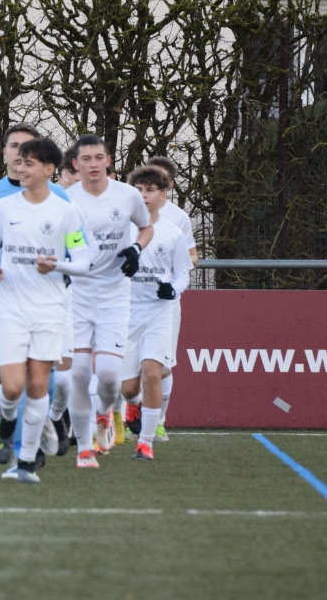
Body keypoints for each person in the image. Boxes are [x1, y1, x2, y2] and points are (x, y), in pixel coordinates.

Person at [0, 123, 72, 476]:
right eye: (15, 146)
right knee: (16, 380)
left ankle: (45, 422)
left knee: (46, 380)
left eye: (28, 148)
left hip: (47, 299)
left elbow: (75, 245)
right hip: (4, 296)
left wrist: (69, 267)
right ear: (6, 152)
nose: (21, 154)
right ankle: (26, 450)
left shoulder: (61, 199)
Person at [0, 137, 94, 483]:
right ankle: (7, 417)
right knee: (12, 388)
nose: (21, 168)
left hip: (49, 312)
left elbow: (84, 260)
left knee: (37, 387)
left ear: (49, 170)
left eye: (29, 163)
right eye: (20, 161)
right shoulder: (5, 207)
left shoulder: (65, 212)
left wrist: (57, 265)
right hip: (11, 309)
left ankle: (26, 462)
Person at [65, 134, 152, 468]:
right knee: (78, 374)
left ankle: (104, 412)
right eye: (86, 159)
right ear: (76, 164)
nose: (93, 164)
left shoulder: (127, 195)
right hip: (77, 295)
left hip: (115, 295)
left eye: (99, 157)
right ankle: (84, 448)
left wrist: (136, 249)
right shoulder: (66, 200)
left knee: (110, 376)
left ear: (108, 160)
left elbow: (146, 228)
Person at [118, 165, 193, 460]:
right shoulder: (121, 229)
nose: (144, 195)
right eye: (138, 190)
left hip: (158, 312)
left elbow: (183, 273)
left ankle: (145, 442)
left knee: (153, 374)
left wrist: (172, 290)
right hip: (125, 313)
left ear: (163, 195)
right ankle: (134, 405)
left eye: (150, 190)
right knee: (127, 388)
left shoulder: (173, 233)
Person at [143, 155, 198, 442]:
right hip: (131, 301)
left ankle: (159, 422)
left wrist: (173, 275)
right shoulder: (129, 212)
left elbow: (192, 258)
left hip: (164, 304)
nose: (152, 186)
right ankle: (123, 418)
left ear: (170, 185)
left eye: (160, 180)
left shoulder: (178, 218)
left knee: (162, 365)